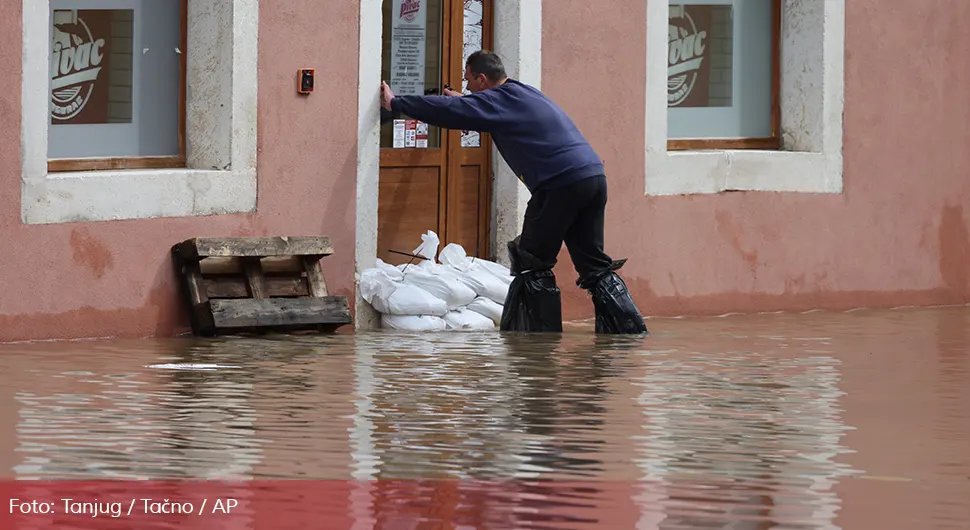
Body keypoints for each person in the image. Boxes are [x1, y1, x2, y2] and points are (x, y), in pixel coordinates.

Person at [380, 50, 647, 335]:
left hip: (558, 185)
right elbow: (473, 108)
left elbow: (451, 113)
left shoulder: (498, 101)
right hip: (592, 178)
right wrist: (467, 101)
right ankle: (628, 335)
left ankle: (536, 344)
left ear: (482, 79)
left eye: (469, 80)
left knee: (531, 261)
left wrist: (397, 102)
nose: (467, 86)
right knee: (594, 267)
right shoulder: (522, 93)